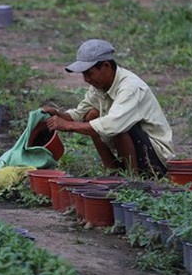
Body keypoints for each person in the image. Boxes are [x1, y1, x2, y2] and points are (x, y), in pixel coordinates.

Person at [41, 39, 174, 178]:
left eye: (89, 73)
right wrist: (58, 114)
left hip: (156, 159)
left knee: (117, 126)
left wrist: (68, 126)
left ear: (106, 66)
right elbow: (80, 114)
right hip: (136, 152)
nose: (86, 79)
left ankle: (133, 181)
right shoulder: (99, 86)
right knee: (91, 115)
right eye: (84, 74)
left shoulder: (130, 88)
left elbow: (114, 125)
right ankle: (113, 173)